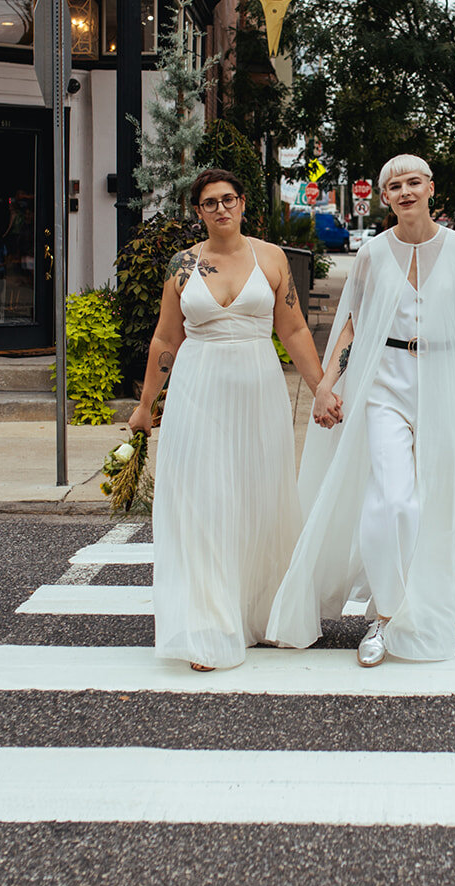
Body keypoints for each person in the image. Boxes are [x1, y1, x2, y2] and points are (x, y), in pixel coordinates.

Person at [267, 154, 455, 667]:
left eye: (413, 182)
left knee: (431, 505)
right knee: (393, 501)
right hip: (384, 380)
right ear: (384, 197)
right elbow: (351, 326)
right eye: (394, 186)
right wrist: (326, 385)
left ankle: (417, 608)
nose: (405, 191)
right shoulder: (371, 253)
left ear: (431, 188)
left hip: (442, 384)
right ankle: (384, 616)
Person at [127, 169, 334, 672]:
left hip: (259, 393)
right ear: (198, 211)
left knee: (261, 499)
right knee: (206, 504)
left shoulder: (271, 257)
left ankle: (262, 616)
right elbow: (164, 340)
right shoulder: (183, 265)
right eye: (209, 202)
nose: (220, 209)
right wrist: (145, 405)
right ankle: (211, 626)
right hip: (198, 393)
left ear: (243, 204)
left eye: (228, 199)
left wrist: (322, 387)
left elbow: (293, 329)